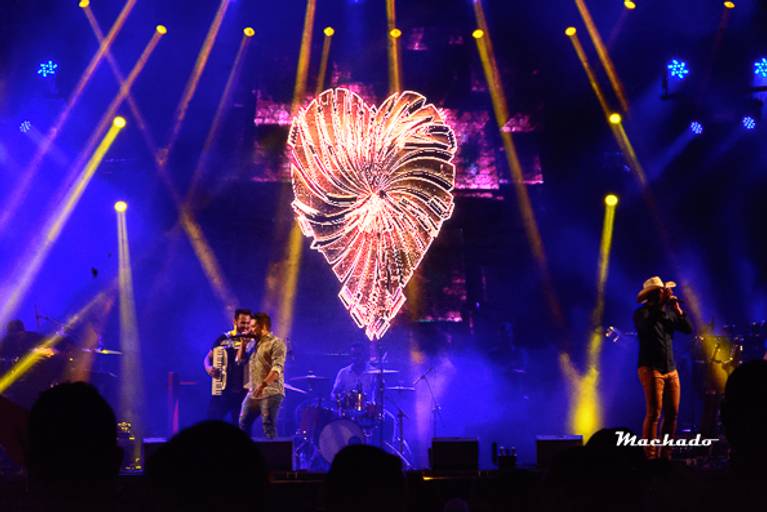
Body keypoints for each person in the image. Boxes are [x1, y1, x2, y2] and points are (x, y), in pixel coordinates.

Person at [633, 276, 692, 459]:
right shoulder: (641, 314)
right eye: (662, 291)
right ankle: (650, 457)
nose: (667, 293)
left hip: (671, 369)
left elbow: (687, 329)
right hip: (651, 368)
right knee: (654, 414)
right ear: (654, 294)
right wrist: (661, 306)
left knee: (672, 413)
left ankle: (666, 456)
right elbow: (646, 327)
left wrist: (677, 310)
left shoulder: (667, 312)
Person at [238, 312, 286, 439]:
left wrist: (263, 385)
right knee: (243, 423)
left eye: (253, 326)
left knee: (268, 427)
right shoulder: (252, 344)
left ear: (263, 326)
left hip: (271, 391)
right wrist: (243, 344)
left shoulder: (276, 343)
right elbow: (239, 361)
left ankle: (275, 451)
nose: (250, 330)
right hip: (253, 392)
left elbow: (277, 369)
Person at [203, 309, 252, 424]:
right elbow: (207, 358)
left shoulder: (252, 342)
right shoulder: (223, 339)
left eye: (248, 323)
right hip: (222, 390)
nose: (245, 326)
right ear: (235, 321)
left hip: (242, 393)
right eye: (242, 323)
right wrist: (208, 368)